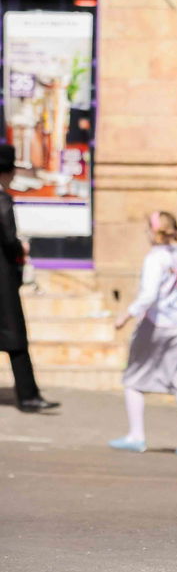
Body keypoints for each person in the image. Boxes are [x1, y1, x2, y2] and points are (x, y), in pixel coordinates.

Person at [109, 211, 177, 455]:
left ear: (154, 231)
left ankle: (136, 435)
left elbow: (149, 295)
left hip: (155, 325)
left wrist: (125, 315)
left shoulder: (155, 258)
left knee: (133, 379)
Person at [0, 143, 59, 413]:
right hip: (2, 281)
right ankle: (28, 395)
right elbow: (10, 240)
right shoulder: (2, 200)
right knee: (16, 339)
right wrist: (21, 249)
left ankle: (29, 394)